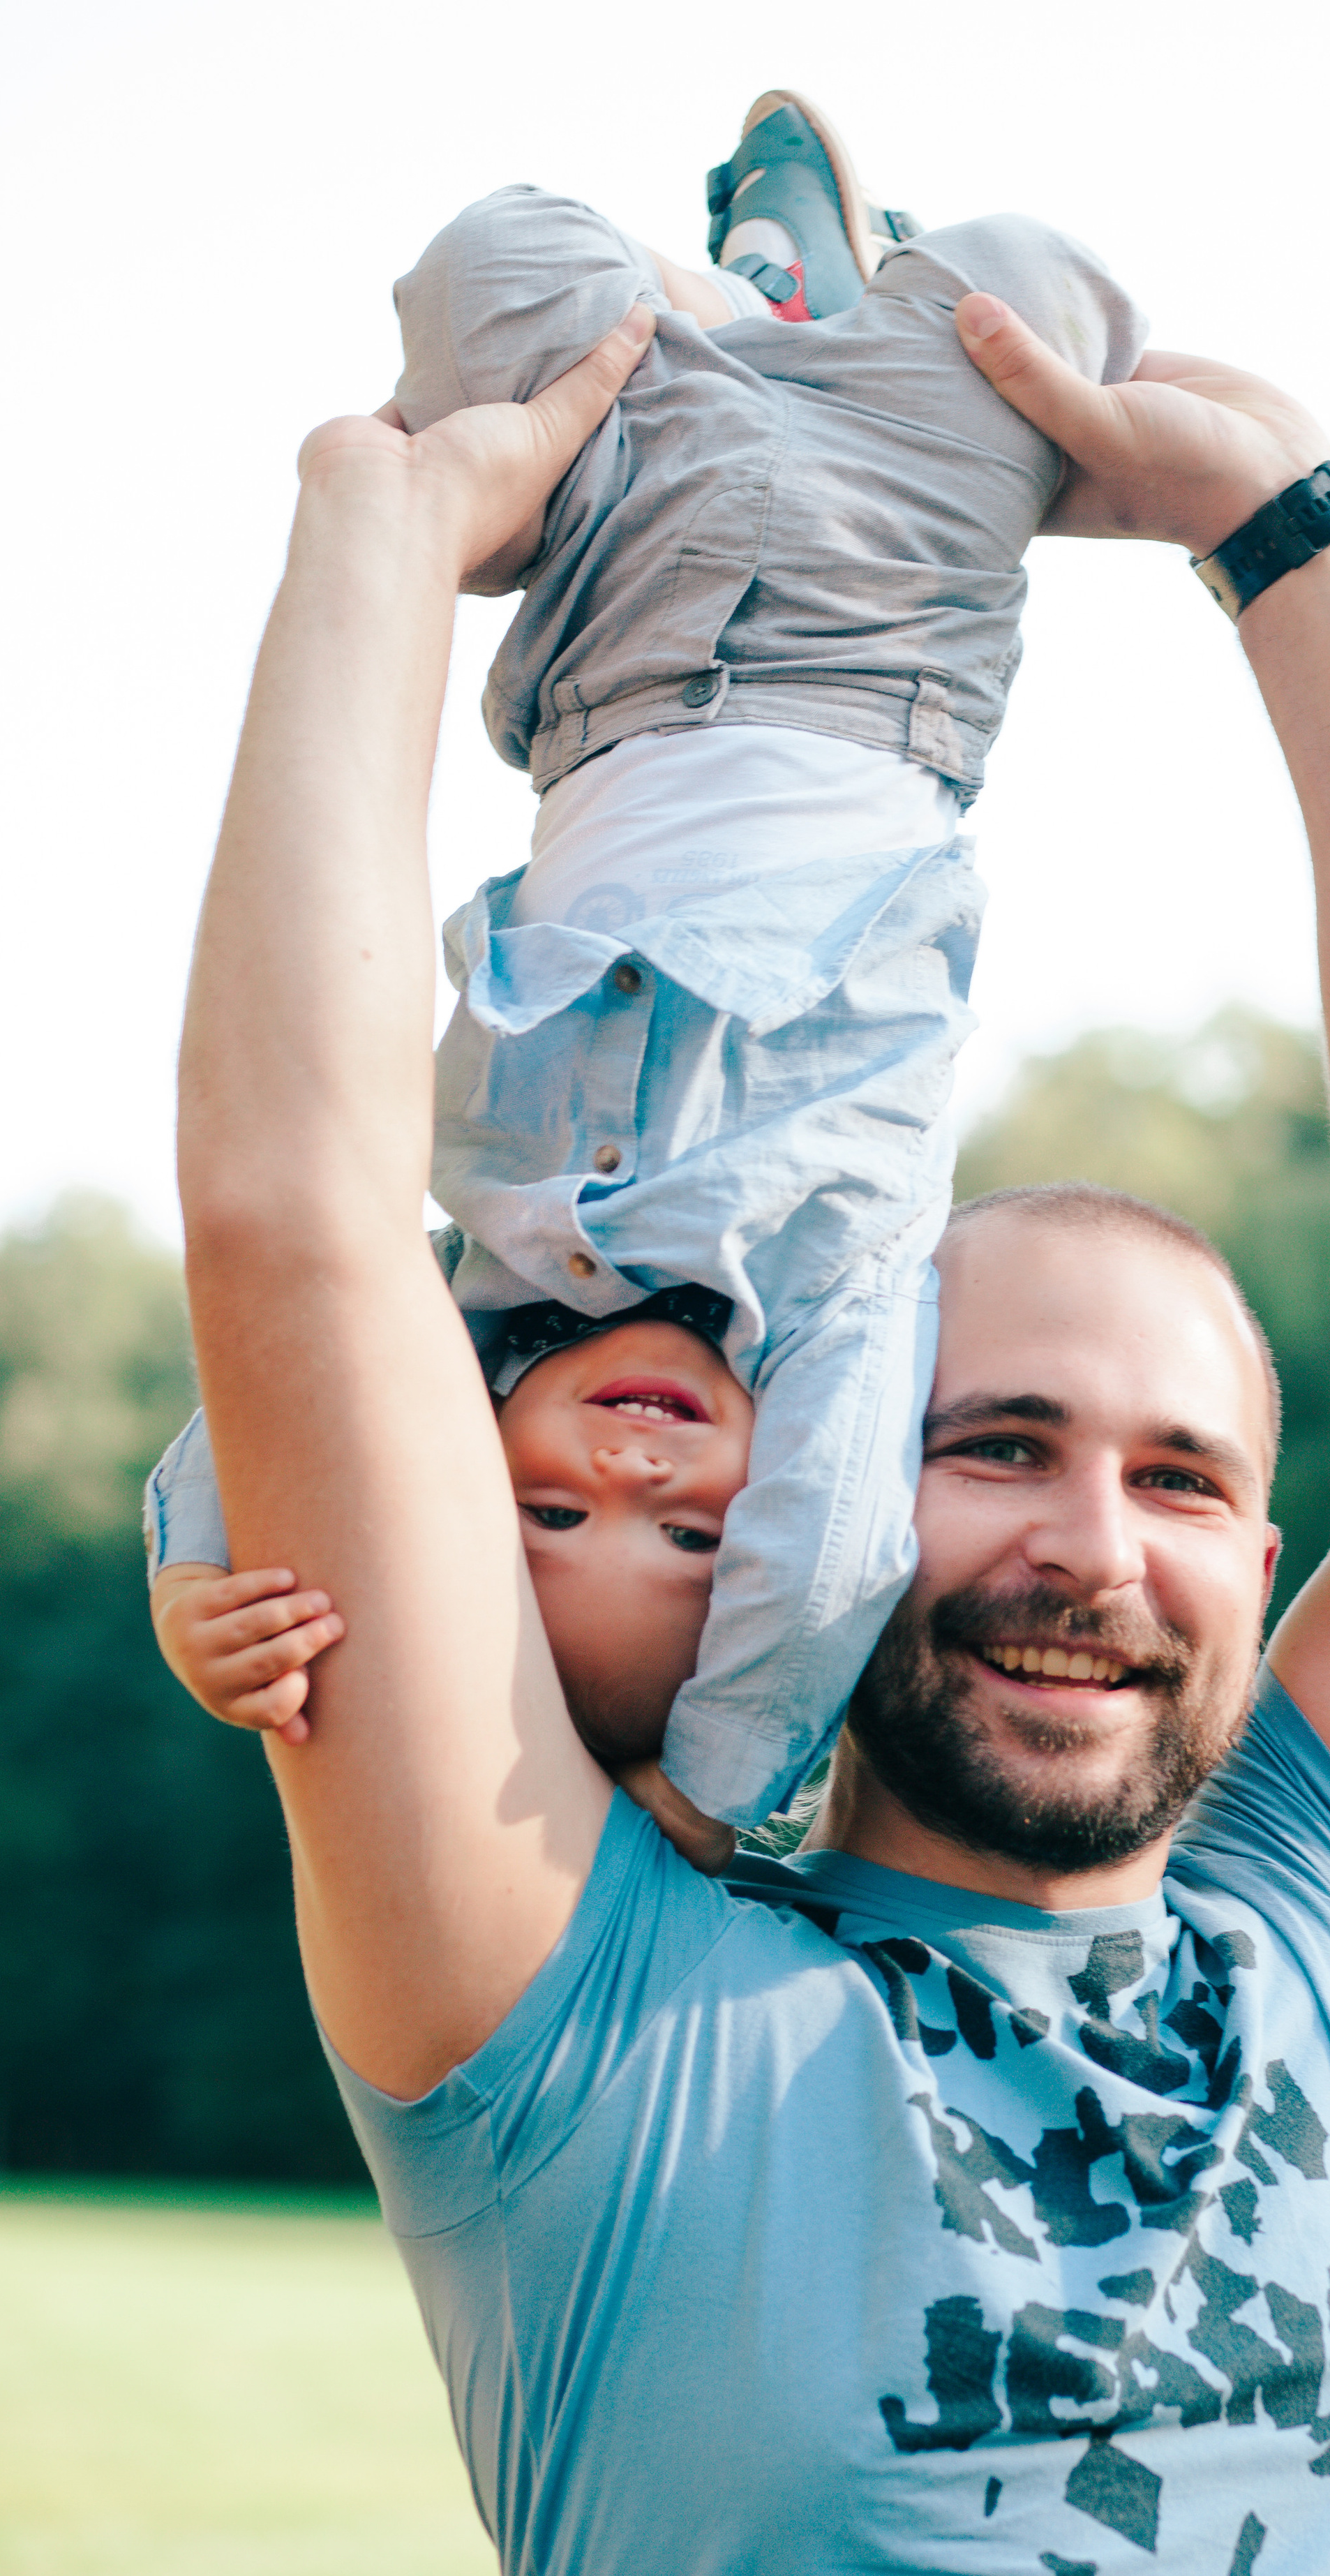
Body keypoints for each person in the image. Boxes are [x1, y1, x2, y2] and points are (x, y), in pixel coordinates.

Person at [174, 216, 1330, 2576]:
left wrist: (1279, 522)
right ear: (809, 1487)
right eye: (996, 1444)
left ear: (1266, 1547)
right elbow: (295, 1227)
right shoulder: (577, 2001)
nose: (1095, 1546)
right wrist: (379, 532)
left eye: (1182, 1478)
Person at [144, 95, 1146, 1829]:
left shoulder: (467, 1281)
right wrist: (710, 1792)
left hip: (620, 620)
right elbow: (824, 1572)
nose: (631, 1464)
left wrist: (192, 1587)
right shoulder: (832, 1311)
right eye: (692, 1536)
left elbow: (276, 1373)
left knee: (496, 258)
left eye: (551, 1515)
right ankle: (824, 313)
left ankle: (745, 301)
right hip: (886, 636)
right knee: (1036, 285)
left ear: (466, 1467)